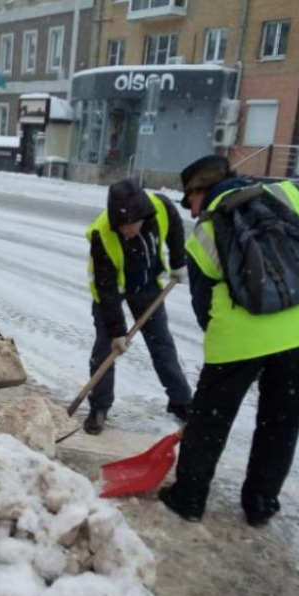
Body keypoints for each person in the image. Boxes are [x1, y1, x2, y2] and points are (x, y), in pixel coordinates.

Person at [159, 155, 299, 526]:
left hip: (240, 340)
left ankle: (189, 498)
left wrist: (225, 361)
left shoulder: (205, 235)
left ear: (200, 191)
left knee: (209, 421)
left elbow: (203, 308)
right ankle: (260, 505)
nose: (192, 213)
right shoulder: (287, 195)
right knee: (280, 421)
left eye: (190, 202)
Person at [84, 178, 194, 435]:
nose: (125, 230)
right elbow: (106, 288)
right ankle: (99, 406)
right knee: (105, 349)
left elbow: (176, 229)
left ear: (143, 216)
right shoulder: (103, 234)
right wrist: (117, 331)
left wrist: (178, 261)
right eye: (120, 226)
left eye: (130, 225)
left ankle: (181, 401)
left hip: (146, 287)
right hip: (109, 294)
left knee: (162, 344)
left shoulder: (161, 208)